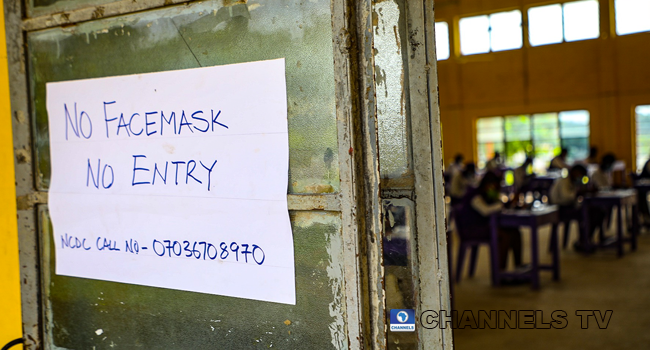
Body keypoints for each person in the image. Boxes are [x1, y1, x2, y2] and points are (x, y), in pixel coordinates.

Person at [463, 172, 524, 272]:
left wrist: (509, 203)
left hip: (485, 226)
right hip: (472, 229)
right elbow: (486, 211)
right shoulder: (475, 195)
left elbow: (496, 206)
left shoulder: (487, 194)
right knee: (504, 235)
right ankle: (500, 273)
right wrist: (502, 205)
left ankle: (519, 268)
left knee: (515, 231)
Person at [549, 164, 603, 251]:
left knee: (596, 212)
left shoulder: (572, 182)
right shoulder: (564, 181)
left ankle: (585, 239)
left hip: (568, 206)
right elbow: (566, 197)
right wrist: (579, 192)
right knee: (586, 215)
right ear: (575, 172)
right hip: (559, 208)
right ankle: (583, 241)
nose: (580, 177)